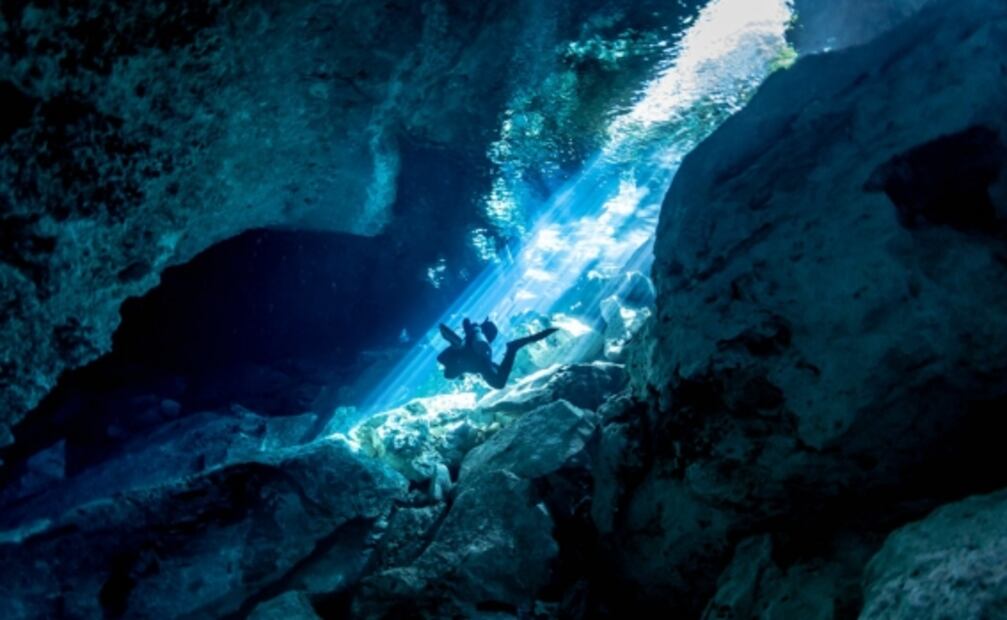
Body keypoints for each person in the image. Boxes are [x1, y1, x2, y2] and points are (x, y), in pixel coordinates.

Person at [436, 318, 558, 389]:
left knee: (499, 383)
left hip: (476, 355)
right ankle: (513, 348)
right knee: (498, 382)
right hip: (478, 357)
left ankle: (513, 348)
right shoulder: (469, 348)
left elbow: (465, 323)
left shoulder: (468, 344)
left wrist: (471, 330)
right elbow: (495, 367)